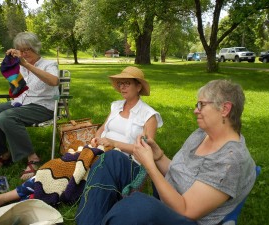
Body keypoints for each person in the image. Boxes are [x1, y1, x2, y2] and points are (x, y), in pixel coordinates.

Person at [0, 66, 163, 220]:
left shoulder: (148, 115)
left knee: (65, 175)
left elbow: (147, 152)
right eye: (120, 83)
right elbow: (102, 129)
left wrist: (114, 143)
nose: (122, 87)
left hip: (124, 164)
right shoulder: (116, 106)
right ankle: (1, 201)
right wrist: (96, 139)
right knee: (55, 167)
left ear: (139, 87)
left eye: (127, 83)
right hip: (98, 153)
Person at [75, 79, 256, 225]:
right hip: (167, 198)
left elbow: (187, 210)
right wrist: (158, 156)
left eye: (201, 105)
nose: (195, 110)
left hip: (184, 217)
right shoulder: (202, 134)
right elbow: (179, 172)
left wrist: (150, 165)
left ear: (225, 109)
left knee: (134, 206)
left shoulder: (230, 160)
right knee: (111, 159)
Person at [0, 32, 59, 180]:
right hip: (20, 102)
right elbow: (15, 81)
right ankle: (3, 154)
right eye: (20, 50)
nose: (23, 53)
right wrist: (12, 60)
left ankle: (32, 157)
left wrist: (27, 65)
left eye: (27, 49)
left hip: (42, 105)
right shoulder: (20, 63)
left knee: (6, 117)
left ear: (36, 48)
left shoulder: (49, 64)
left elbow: (54, 81)